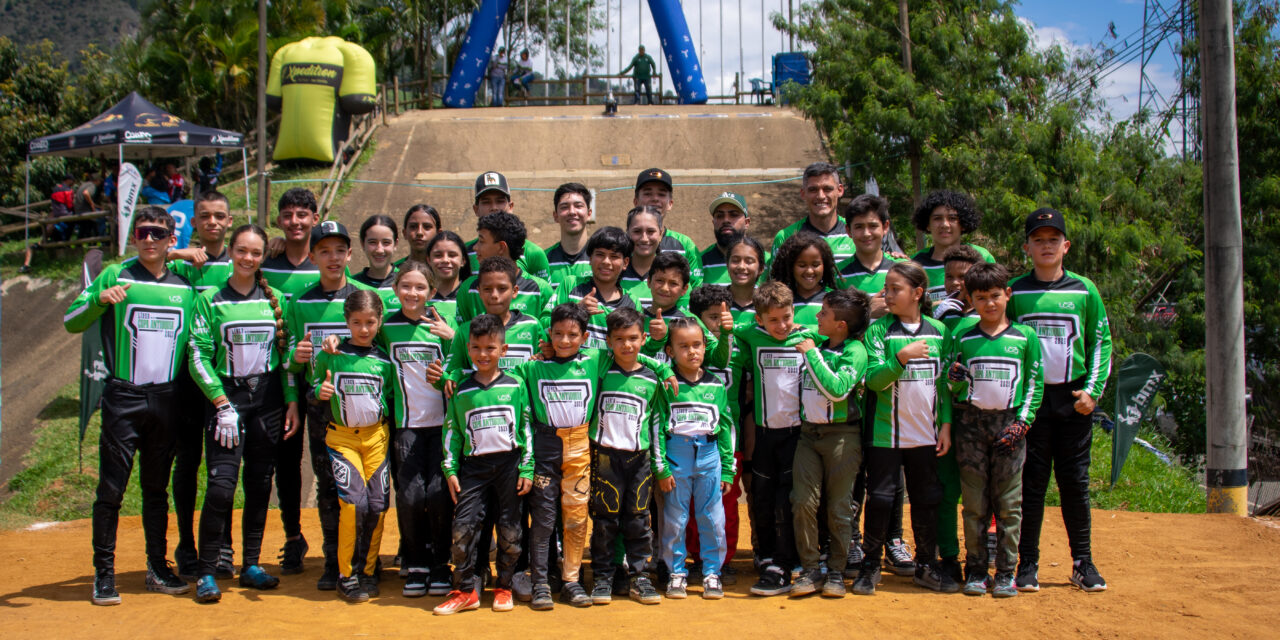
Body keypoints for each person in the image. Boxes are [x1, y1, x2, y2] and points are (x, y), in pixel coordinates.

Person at [64, 206, 198, 605]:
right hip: (123, 396)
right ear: (133, 236)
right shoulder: (115, 275)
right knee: (111, 489)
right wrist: (100, 301)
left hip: (167, 398)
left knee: (156, 490)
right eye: (143, 232)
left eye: (159, 233)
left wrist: (185, 255)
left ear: (171, 239)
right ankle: (103, 575)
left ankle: (157, 568)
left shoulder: (186, 287)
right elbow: (71, 319)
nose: (150, 239)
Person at [515, 304, 677, 610]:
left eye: (572, 335)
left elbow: (631, 354)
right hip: (546, 447)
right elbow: (500, 375)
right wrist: (453, 374)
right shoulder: (532, 367)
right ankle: (540, 582)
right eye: (558, 334)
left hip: (580, 448)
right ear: (549, 334)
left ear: (585, 336)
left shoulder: (595, 360)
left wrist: (664, 368)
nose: (564, 341)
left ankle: (573, 581)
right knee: (545, 519)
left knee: (578, 519)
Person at [187, 224, 298, 602]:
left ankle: (251, 564)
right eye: (242, 251)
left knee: (259, 484)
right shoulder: (210, 299)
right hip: (227, 399)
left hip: (267, 400)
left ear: (263, 256)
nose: (248, 258)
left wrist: (292, 401)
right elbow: (197, 355)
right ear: (231, 252)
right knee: (220, 488)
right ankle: (206, 571)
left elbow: (286, 359)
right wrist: (220, 403)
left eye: (255, 253)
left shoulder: (278, 300)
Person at [1007, 207, 1112, 593]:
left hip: (1073, 399)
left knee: (1074, 483)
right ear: (1027, 247)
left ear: (1066, 246)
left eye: (1053, 239)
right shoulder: (1014, 291)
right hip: (1031, 401)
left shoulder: (1084, 290)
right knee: (1031, 483)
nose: (1046, 246)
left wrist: (1093, 392)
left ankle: (1082, 562)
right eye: (1039, 240)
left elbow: (1101, 340)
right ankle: (1027, 563)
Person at [283, 220, 379, 591]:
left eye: (340, 250)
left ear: (350, 254)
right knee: (329, 486)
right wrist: (296, 362)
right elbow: (289, 362)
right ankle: (331, 559)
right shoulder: (300, 301)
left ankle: (361, 561)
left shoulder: (366, 297)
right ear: (312, 256)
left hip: (364, 410)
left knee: (367, 489)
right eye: (324, 250)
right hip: (321, 409)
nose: (333, 257)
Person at [854, 261, 955, 596]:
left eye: (895, 289)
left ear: (918, 293)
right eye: (886, 288)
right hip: (885, 433)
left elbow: (944, 386)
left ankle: (927, 565)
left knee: (928, 498)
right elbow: (873, 380)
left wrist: (946, 424)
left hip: (926, 434)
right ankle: (870, 567)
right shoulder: (878, 330)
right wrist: (902, 358)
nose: (887, 294)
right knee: (881, 498)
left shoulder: (939, 332)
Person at [944, 261, 1044, 598]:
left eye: (996, 296)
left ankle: (1006, 572)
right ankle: (975, 569)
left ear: (1008, 295)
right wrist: (955, 382)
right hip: (970, 427)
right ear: (970, 299)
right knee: (974, 504)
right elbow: (951, 384)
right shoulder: (962, 336)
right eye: (981, 297)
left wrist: (1022, 424)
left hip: (1009, 426)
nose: (990, 303)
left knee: (1009, 505)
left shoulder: (1025, 337)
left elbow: (1034, 382)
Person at [431, 314, 534, 615]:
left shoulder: (516, 385)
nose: (483, 354)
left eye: (490, 348)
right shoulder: (461, 390)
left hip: (509, 466)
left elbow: (526, 429)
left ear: (503, 350)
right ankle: (464, 590)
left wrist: (527, 468)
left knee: (511, 531)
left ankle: (503, 586)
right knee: (462, 529)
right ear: (467, 349)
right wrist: (450, 470)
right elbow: (451, 432)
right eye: (476, 348)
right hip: (473, 468)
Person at [166, 190, 237, 581]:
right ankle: (185, 544)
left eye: (219, 216)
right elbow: (132, 264)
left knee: (221, 469)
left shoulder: (239, 262)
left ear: (229, 221)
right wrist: (176, 253)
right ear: (193, 222)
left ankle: (222, 545)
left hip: (222, 382)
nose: (212, 222)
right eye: (205, 216)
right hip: (183, 379)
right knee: (187, 463)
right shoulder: (180, 265)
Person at [374, 261, 455, 598]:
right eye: (406, 286)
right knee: (409, 497)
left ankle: (440, 564)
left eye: (420, 287)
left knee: (439, 496)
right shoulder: (385, 328)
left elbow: (463, 364)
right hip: (405, 427)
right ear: (396, 290)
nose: (413, 293)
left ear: (432, 292)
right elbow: (364, 348)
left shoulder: (442, 326)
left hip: (442, 425)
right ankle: (416, 561)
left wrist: (452, 340)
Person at [310, 290, 396, 602]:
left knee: (377, 505)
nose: (363, 329)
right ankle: (346, 575)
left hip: (376, 438)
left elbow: (391, 400)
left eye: (370, 322)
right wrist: (319, 391)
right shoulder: (331, 355)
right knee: (353, 504)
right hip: (343, 438)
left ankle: (369, 570)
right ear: (346, 322)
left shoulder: (384, 359)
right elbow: (313, 388)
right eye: (356, 322)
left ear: (379, 321)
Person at [735, 281, 818, 596]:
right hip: (766, 435)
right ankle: (768, 553)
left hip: (798, 435)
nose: (782, 325)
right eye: (773, 320)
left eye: (787, 317)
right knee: (764, 496)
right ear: (759, 320)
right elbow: (724, 329)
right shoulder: (751, 334)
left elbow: (838, 337)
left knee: (788, 500)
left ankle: (785, 563)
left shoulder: (807, 336)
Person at [789, 288, 871, 599]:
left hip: (842, 436)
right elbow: (799, 329)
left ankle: (836, 571)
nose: (817, 317)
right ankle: (811, 569)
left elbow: (837, 390)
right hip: (809, 435)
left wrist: (811, 353)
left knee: (838, 507)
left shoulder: (855, 351)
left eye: (824, 313)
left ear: (842, 325)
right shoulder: (820, 341)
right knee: (802, 502)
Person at [588, 308, 670, 605]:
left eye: (633, 338)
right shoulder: (600, 368)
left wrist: (664, 369)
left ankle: (639, 577)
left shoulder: (652, 378)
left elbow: (657, 423)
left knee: (638, 519)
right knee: (604, 520)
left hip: (640, 459)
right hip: (605, 457)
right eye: (619, 339)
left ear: (644, 338)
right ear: (608, 341)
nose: (627, 345)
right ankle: (602, 577)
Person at [259, 189, 323, 576]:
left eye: (303, 214)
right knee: (285, 460)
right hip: (278, 376)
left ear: (315, 218)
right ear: (279, 220)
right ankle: (293, 535)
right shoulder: (266, 265)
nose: (295, 221)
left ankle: (337, 541)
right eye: (288, 215)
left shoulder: (326, 263)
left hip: (322, 379)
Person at [659, 317, 736, 600]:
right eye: (683, 346)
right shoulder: (666, 384)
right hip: (676, 456)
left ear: (705, 347)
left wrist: (728, 469)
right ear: (670, 351)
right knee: (675, 519)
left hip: (709, 456)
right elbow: (656, 426)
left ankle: (712, 573)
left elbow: (726, 426)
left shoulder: (716, 385)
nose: (692, 352)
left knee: (712, 518)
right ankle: (676, 572)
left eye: (697, 345)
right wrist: (662, 467)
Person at [456, 211, 555, 324]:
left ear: (501, 247)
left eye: (481, 241)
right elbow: (462, 336)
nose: (475, 248)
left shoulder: (541, 290)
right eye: (487, 289)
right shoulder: (468, 288)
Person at [555, 226, 638, 348]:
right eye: (600, 254)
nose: (606, 261)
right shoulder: (571, 285)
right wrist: (577, 310)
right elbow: (545, 323)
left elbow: (639, 346)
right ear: (590, 258)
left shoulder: (632, 302)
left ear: (625, 263)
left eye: (614, 256)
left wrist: (658, 339)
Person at [910, 190, 996, 303]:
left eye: (952, 218)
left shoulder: (982, 256)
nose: (945, 224)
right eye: (937, 218)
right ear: (927, 224)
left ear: (963, 224)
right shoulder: (915, 263)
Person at [771, 162, 856, 274]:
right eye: (813, 190)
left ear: (840, 190)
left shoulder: (856, 234)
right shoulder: (786, 237)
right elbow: (776, 288)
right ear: (803, 193)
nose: (820, 196)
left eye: (827, 189)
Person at [466, 171, 551, 280]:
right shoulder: (465, 252)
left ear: (511, 206)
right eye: (486, 202)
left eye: (500, 201)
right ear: (476, 209)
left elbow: (542, 293)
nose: (494, 207)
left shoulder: (533, 253)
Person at [632, 168, 704, 279]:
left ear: (670, 203)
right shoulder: (622, 244)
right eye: (647, 193)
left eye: (661, 194)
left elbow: (695, 291)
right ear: (636, 202)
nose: (655, 199)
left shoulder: (686, 245)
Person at [841, 193, 900, 316]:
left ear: (885, 227)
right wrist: (868, 311)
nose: (866, 233)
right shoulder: (837, 275)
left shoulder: (902, 268)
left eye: (873, 226)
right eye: (859, 227)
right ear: (848, 230)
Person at [769, 231, 839, 331]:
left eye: (815, 265)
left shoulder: (835, 301)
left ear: (825, 265)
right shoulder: (778, 300)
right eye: (802, 265)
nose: (809, 271)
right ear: (790, 266)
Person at [699, 192, 758, 285]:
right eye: (720, 216)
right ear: (713, 222)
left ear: (747, 222)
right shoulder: (699, 261)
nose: (726, 220)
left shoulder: (765, 261)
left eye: (733, 215)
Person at [21, 174, 76, 273]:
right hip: (64, 219)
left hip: (53, 236)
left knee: (32, 246)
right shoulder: (67, 190)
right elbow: (69, 203)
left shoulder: (55, 189)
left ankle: (26, 265)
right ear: (69, 180)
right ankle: (26, 265)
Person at [545, 183, 594, 291]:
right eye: (564, 207)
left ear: (589, 214)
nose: (572, 212)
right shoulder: (543, 260)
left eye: (578, 206)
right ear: (555, 216)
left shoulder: (601, 259)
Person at [351, 215, 401, 312]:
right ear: (362, 244)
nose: (379, 250)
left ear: (396, 244)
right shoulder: (351, 286)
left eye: (386, 242)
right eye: (372, 242)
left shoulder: (408, 283)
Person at [424, 230, 469, 325]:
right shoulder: (420, 296)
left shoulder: (471, 296)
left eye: (452, 255)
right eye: (438, 255)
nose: (445, 260)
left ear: (463, 260)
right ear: (428, 259)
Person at [935, 244, 984, 331]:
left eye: (962, 277)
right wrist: (934, 320)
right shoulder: (938, 312)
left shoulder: (985, 314)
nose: (954, 283)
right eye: (949, 277)